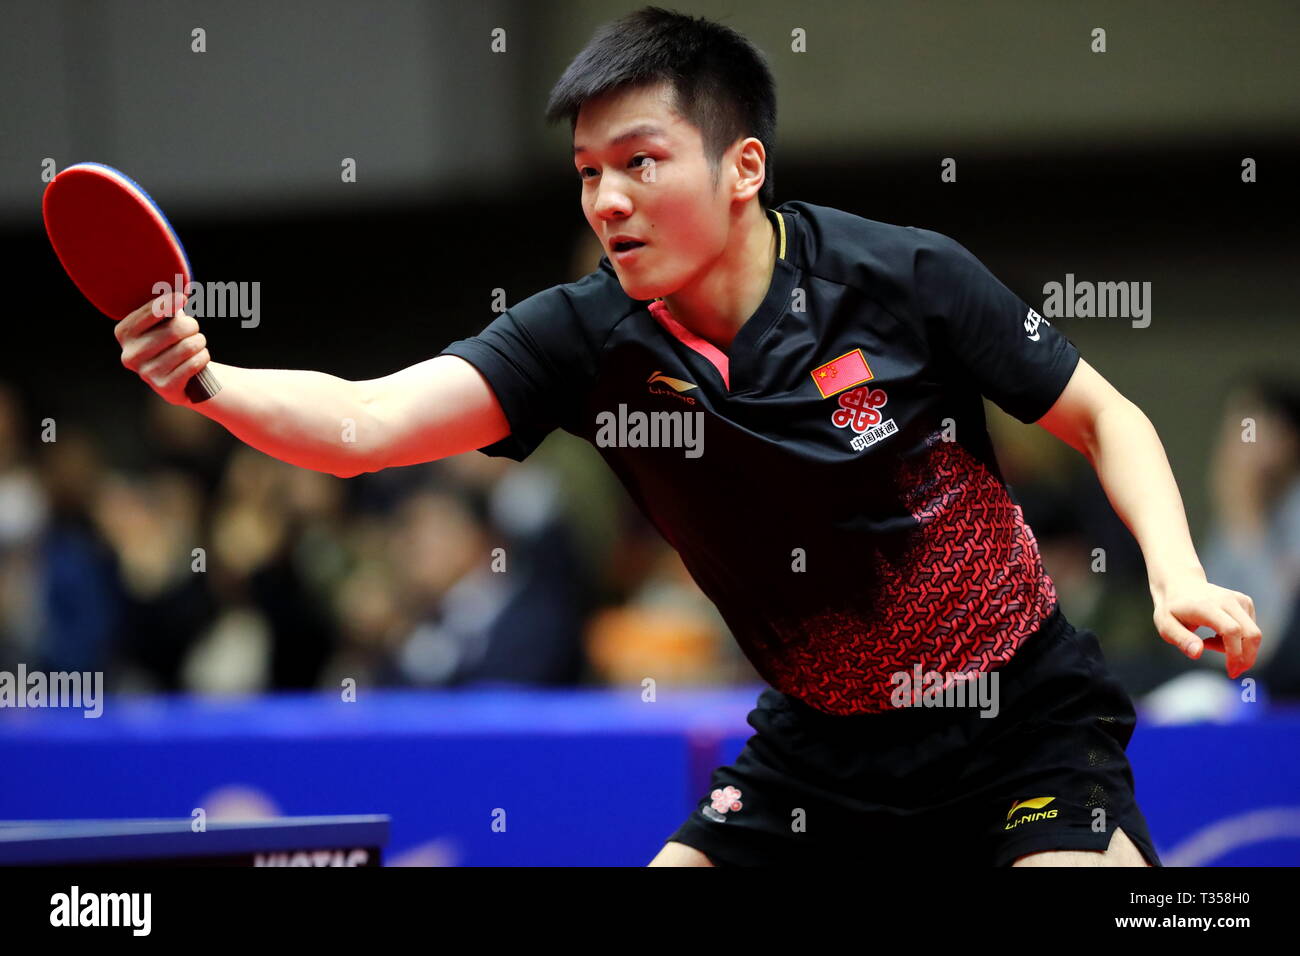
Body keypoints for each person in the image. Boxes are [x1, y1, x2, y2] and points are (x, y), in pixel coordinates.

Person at [112, 6, 1261, 866]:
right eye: (587, 174)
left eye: (641, 162)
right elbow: (365, 424)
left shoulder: (901, 276)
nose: (607, 199)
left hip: (1014, 717)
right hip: (821, 743)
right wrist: (209, 380)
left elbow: (1102, 412)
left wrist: (1173, 572)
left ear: (741, 167)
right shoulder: (582, 335)